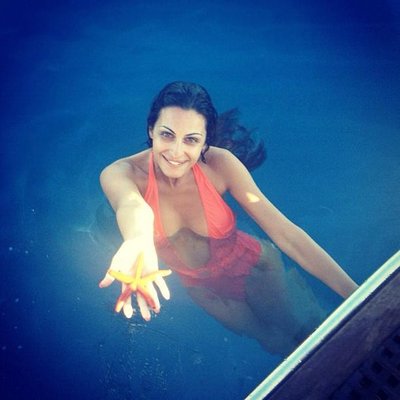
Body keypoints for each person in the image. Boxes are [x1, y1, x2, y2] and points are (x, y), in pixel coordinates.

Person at [99, 81, 358, 355]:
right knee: (275, 345)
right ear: (151, 129)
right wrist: (138, 240)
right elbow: (132, 206)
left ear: (205, 141)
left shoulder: (220, 165)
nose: (175, 152)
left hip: (255, 270)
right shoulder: (120, 174)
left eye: (191, 140)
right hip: (206, 292)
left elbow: (287, 235)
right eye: (167, 135)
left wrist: (359, 295)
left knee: (299, 328)